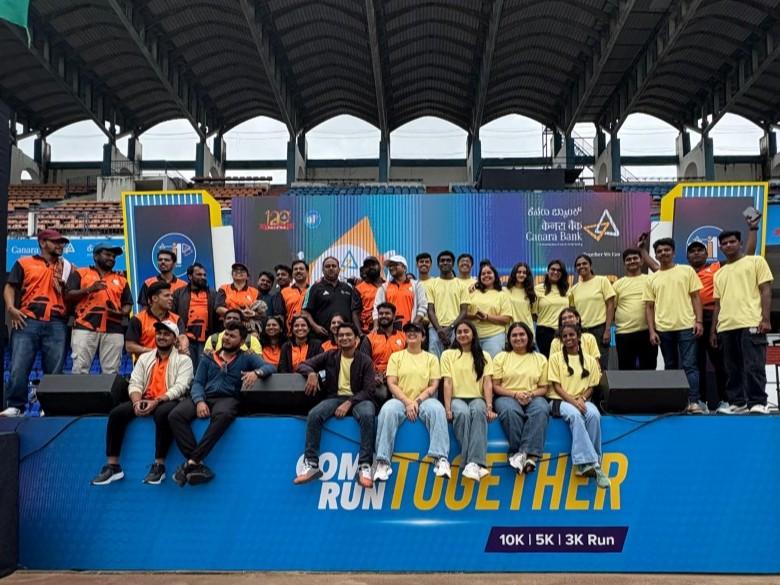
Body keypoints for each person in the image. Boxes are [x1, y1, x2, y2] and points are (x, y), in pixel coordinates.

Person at [168, 321, 275, 485]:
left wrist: (257, 372)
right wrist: (199, 401)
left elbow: (271, 367)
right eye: (226, 334)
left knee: (223, 415)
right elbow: (197, 383)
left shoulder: (247, 357)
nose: (227, 338)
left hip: (228, 398)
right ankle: (197, 463)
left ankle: (191, 462)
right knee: (175, 415)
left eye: (232, 336)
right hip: (204, 397)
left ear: (242, 341)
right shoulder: (208, 357)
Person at [91, 320, 193, 485]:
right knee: (117, 413)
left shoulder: (184, 360)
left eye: (166, 334)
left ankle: (159, 466)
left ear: (175, 339)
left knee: (163, 413)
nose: (161, 337)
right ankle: (113, 466)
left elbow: (181, 387)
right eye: (159, 333)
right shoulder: (145, 358)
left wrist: (157, 401)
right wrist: (137, 402)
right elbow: (135, 382)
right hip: (145, 399)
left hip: (168, 399)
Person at [294, 323, 377, 488]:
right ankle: (311, 464)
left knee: (368, 414)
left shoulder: (366, 361)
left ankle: (364, 466)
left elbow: (369, 390)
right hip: (334, 398)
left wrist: (349, 402)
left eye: (348, 335)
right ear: (337, 339)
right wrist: (311, 373)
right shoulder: (330, 355)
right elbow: (303, 364)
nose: (344, 338)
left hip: (359, 399)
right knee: (314, 414)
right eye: (341, 335)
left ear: (356, 339)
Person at [2, 229, 70, 417]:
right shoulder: (24, 262)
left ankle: (49, 407)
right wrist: (10, 308)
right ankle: (16, 406)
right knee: (18, 366)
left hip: (56, 321)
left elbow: (73, 295)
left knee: (55, 371)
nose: (60, 245)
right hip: (27, 319)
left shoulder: (67, 267)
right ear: (42, 243)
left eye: (62, 242)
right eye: (56, 242)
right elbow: (10, 286)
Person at [374, 321, 450, 482]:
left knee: (438, 410)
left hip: (425, 400)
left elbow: (434, 385)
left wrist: (417, 401)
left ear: (423, 337)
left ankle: (441, 459)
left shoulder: (431, 358)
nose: (412, 333)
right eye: (408, 331)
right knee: (387, 410)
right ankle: (382, 462)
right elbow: (391, 383)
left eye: (416, 331)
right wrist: (407, 402)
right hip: (400, 400)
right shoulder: (396, 357)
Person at [712, 229, 773, 414]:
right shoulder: (719, 273)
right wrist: (713, 330)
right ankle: (737, 403)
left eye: (732, 241)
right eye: (724, 243)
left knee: (753, 365)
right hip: (726, 326)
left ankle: (758, 402)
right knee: (731, 368)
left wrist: (766, 319)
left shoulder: (756, 261)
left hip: (751, 322)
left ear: (740, 243)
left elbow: (765, 290)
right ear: (720, 248)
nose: (728, 245)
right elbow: (717, 304)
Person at [643, 238, 705, 413]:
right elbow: (649, 307)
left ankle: (694, 402)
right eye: (659, 251)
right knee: (670, 366)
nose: (663, 253)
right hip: (663, 329)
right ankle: (676, 403)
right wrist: (652, 331)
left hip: (687, 326)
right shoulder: (652, 279)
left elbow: (696, 297)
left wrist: (699, 321)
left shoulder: (686, 271)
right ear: (656, 255)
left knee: (690, 366)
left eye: (667, 250)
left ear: (674, 252)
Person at [546, 324, 609, 489]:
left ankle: (593, 463)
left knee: (594, 415)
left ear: (579, 336)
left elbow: (592, 386)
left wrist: (582, 398)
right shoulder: (555, 358)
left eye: (571, 335)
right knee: (575, 415)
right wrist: (574, 402)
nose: (568, 338)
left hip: (582, 400)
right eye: (565, 336)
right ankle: (590, 464)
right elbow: (556, 387)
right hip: (559, 401)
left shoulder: (590, 360)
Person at [441, 320, 496, 482]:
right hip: (457, 398)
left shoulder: (484, 356)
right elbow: (447, 382)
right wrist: (448, 408)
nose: (462, 335)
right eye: (459, 332)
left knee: (479, 411)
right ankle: (473, 463)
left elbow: (487, 383)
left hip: (477, 398)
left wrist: (489, 406)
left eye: (466, 331)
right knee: (463, 414)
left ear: (473, 334)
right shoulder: (448, 355)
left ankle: (472, 463)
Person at [66, 242, 132, 375]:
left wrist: (120, 312)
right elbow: (68, 295)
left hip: (114, 328)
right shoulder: (81, 273)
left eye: (113, 256)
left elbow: (128, 304)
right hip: (84, 326)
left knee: (111, 372)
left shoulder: (121, 280)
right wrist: (89, 289)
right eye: (107, 254)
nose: (111, 258)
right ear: (96, 256)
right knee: (80, 370)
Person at [492, 322, 550, 474]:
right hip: (506, 395)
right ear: (509, 339)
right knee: (510, 411)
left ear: (529, 337)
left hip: (533, 396)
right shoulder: (501, 357)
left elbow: (544, 388)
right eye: (514, 335)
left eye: (522, 334)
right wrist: (515, 394)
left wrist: (531, 394)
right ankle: (524, 454)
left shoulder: (540, 359)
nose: (518, 338)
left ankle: (523, 454)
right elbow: (495, 386)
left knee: (542, 408)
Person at [612, 248, 657, 370]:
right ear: (624, 263)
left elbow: (660, 270)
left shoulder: (651, 279)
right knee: (626, 372)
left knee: (649, 370)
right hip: (624, 333)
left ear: (641, 261)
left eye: (635, 258)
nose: (632, 261)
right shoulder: (617, 284)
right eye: (628, 259)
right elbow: (612, 309)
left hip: (648, 332)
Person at [570, 254, 615, 371]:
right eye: (578, 265)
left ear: (590, 265)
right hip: (581, 331)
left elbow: (610, 305)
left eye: (584, 263)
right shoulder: (574, 289)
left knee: (601, 366)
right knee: (584, 365)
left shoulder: (602, 281)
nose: (581, 266)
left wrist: (607, 329)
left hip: (600, 330)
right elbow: (573, 313)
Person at [172, 263, 219, 372]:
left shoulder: (213, 294)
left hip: (206, 340)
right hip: (185, 340)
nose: (203, 277)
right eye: (199, 274)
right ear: (190, 276)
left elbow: (218, 318)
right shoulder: (179, 293)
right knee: (187, 371)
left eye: (204, 275)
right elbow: (172, 316)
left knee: (203, 372)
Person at [302, 256, 362, 337]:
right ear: (322, 270)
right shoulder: (314, 288)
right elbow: (305, 312)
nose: (331, 268)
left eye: (334, 266)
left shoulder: (348, 288)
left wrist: (358, 332)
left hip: (345, 336)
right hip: (322, 337)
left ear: (339, 269)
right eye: (327, 266)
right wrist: (315, 327)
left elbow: (355, 312)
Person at [125, 282, 188, 359]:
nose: (171, 298)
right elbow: (129, 346)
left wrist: (183, 346)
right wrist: (156, 352)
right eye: (167, 295)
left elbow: (182, 337)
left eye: (171, 296)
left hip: (171, 363)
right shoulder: (138, 319)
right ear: (154, 298)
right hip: (145, 363)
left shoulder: (177, 319)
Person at [360, 302, 407, 401]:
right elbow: (364, 363)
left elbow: (408, 360)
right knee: (382, 394)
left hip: (400, 377)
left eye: (387, 313)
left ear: (394, 316)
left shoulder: (403, 337)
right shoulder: (369, 338)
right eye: (381, 314)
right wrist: (374, 376)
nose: (383, 316)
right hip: (378, 379)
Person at [427, 250, 469, 358]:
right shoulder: (432, 284)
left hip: (456, 328)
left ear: (453, 264)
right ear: (438, 264)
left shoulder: (461, 285)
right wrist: (439, 330)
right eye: (442, 260)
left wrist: (450, 328)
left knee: (455, 360)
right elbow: (430, 310)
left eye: (448, 260)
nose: (445, 262)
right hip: (435, 329)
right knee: (434, 361)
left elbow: (464, 311)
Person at [466, 262, 511, 357]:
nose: (486, 275)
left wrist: (487, 317)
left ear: (495, 275)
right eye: (483, 274)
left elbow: (506, 319)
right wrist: (474, 316)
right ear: (479, 277)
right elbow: (464, 313)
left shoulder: (502, 295)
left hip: (494, 337)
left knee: (493, 365)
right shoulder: (472, 292)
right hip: (473, 338)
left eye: (489, 273)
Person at [372, 255, 427, 328]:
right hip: (390, 330)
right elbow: (376, 309)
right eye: (390, 266)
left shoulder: (417, 285)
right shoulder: (383, 287)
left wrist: (413, 325)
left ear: (404, 267)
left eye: (395, 265)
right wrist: (376, 326)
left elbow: (423, 306)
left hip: (410, 330)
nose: (391, 268)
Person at [534, 260, 571, 357]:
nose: (555, 272)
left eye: (559, 270)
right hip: (544, 332)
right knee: (547, 360)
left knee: (564, 359)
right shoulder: (538, 289)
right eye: (553, 269)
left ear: (562, 273)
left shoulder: (567, 290)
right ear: (548, 271)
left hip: (564, 331)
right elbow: (533, 313)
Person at [273, 259, 310, 334]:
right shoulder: (284, 292)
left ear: (307, 272)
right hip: (290, 334)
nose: (298, 271)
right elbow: (280, 316)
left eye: (301, 269)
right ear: (292, 274)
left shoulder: (314, 290)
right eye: (295, 269)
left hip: (311, 333)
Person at [503, 262, 536, 331]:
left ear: (527, 275)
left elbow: (533, 315)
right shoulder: (505, 291)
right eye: (519, 272)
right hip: (511, 331)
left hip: (527, 331)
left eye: (524, 273)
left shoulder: (531, 293)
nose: (521, 274)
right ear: (514, 274)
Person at [355, 256, 384, 334]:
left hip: (386, 328)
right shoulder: (359, 288)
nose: (371, 267)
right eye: (367, 266)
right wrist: (360, 333)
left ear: (379, 266)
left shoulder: (388, 286)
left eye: (373, 264)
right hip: (367, 331)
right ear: (364, 269)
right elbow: (355, 313)